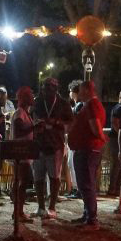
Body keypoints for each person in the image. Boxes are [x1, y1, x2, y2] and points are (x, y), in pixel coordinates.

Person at [31, 78, 73, 219]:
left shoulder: (63, 103)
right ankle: (40, 207)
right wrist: (37, 123)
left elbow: (70, 122)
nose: (45, 91)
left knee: (54, 177)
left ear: (55, 89)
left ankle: (52, 207)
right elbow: (31, 117)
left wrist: (57, 122)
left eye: (49, 88)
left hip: (55, 145)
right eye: (44, 88)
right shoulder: (37, 101)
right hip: (39, 144)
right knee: (38, 177)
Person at [69, 81, 107, 229]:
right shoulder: (91, 105)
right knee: (86, 183)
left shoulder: (92, 105)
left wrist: (102, 138)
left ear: (86, 90)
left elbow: (95, 127)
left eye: (81, 90)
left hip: (88, 149)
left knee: (86, 184)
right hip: (87, 149)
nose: (79, 93)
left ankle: (91, 219)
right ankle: (87, 215)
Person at [10, 86, 36, 224]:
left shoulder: (24, 112)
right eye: (30, 95)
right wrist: (35, 127)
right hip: (20, 152)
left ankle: (18, 211)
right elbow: (19, 128)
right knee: (22, 183)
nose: (33, 97)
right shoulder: (20, 113)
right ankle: (18, 212)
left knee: (21, 182)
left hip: (23, 152)